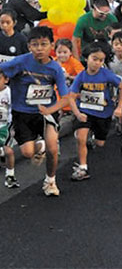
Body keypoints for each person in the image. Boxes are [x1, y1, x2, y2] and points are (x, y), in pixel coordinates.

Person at [0, 26, 70, 196]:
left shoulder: (55, 68)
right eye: (35, 45)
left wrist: (50, 110)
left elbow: (66, 98)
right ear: (29, 46)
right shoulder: (20, 62)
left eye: (44, 44)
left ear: (51, 45)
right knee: (27, 152)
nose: (39, 49)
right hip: (22, 112)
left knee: (53, 148)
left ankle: (50, 181)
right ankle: (41, 146)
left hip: (45, 112)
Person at [68, 42, 122, 180]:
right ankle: (83, 168)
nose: (97, 63)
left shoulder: (106, 75)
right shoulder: (81, 76)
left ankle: (94, 138)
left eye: (101, 60)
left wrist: (119, 106)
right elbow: (71, 97)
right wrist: (77, 114)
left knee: (100, 143)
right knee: (81, 137)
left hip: (103, 113)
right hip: (85, 112)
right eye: (94, 59)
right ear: (87, 58)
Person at [0, 70, 19, 188]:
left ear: (6, 80)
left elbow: (14, 108)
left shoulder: (9, 93)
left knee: (9, 151)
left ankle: (10, 175)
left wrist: (13, 124)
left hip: (5, 125)